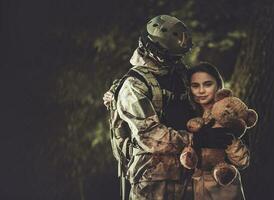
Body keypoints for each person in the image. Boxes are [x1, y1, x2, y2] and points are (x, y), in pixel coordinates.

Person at [104, 15, 195, 200]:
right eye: (172, 57)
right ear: (156, 51)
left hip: (188, 171)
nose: (176, 61)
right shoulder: (134, 85)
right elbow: (151, 137)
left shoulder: (181, 74)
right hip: (152, 178)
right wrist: (197, 139)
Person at [187, 62, 250, 200]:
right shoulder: (187, 115)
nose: (201, 91)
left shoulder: (231, 113)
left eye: (208, 84)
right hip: (192, 186)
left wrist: (231, 142)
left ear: (218, 86)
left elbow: (243, 160)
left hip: (223, 185)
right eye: (195, 86)